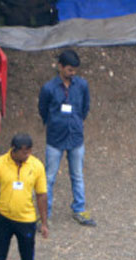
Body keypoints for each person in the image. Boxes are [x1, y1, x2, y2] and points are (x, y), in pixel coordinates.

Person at [38, 49, 96, 227]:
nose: (73, 73)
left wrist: (77, 122)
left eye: (75, 70)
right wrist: (55, 123)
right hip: (55, 139)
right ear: (60, 67)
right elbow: (43, 110)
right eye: (70, 70)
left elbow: (85, 107)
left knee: (77, 175)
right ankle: (44, 215)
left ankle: (79, 209)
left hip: (75, 137)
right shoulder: (49, 88)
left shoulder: (82, 85)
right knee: (49, 178)